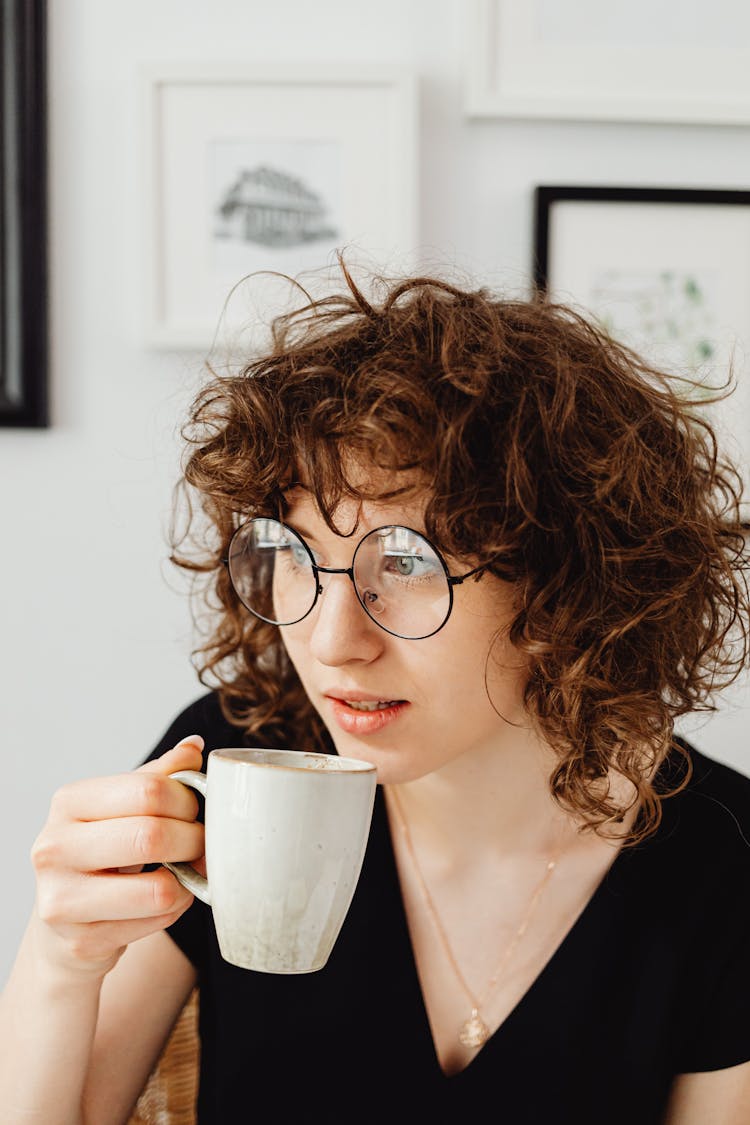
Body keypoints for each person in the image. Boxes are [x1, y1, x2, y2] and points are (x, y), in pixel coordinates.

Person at [2, 260, 750, 1125]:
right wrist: (61, 958)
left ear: (564, 585)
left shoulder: (722, 866)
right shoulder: (235, 763)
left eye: (404, 563)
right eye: (293, 555)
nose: (330, 642)